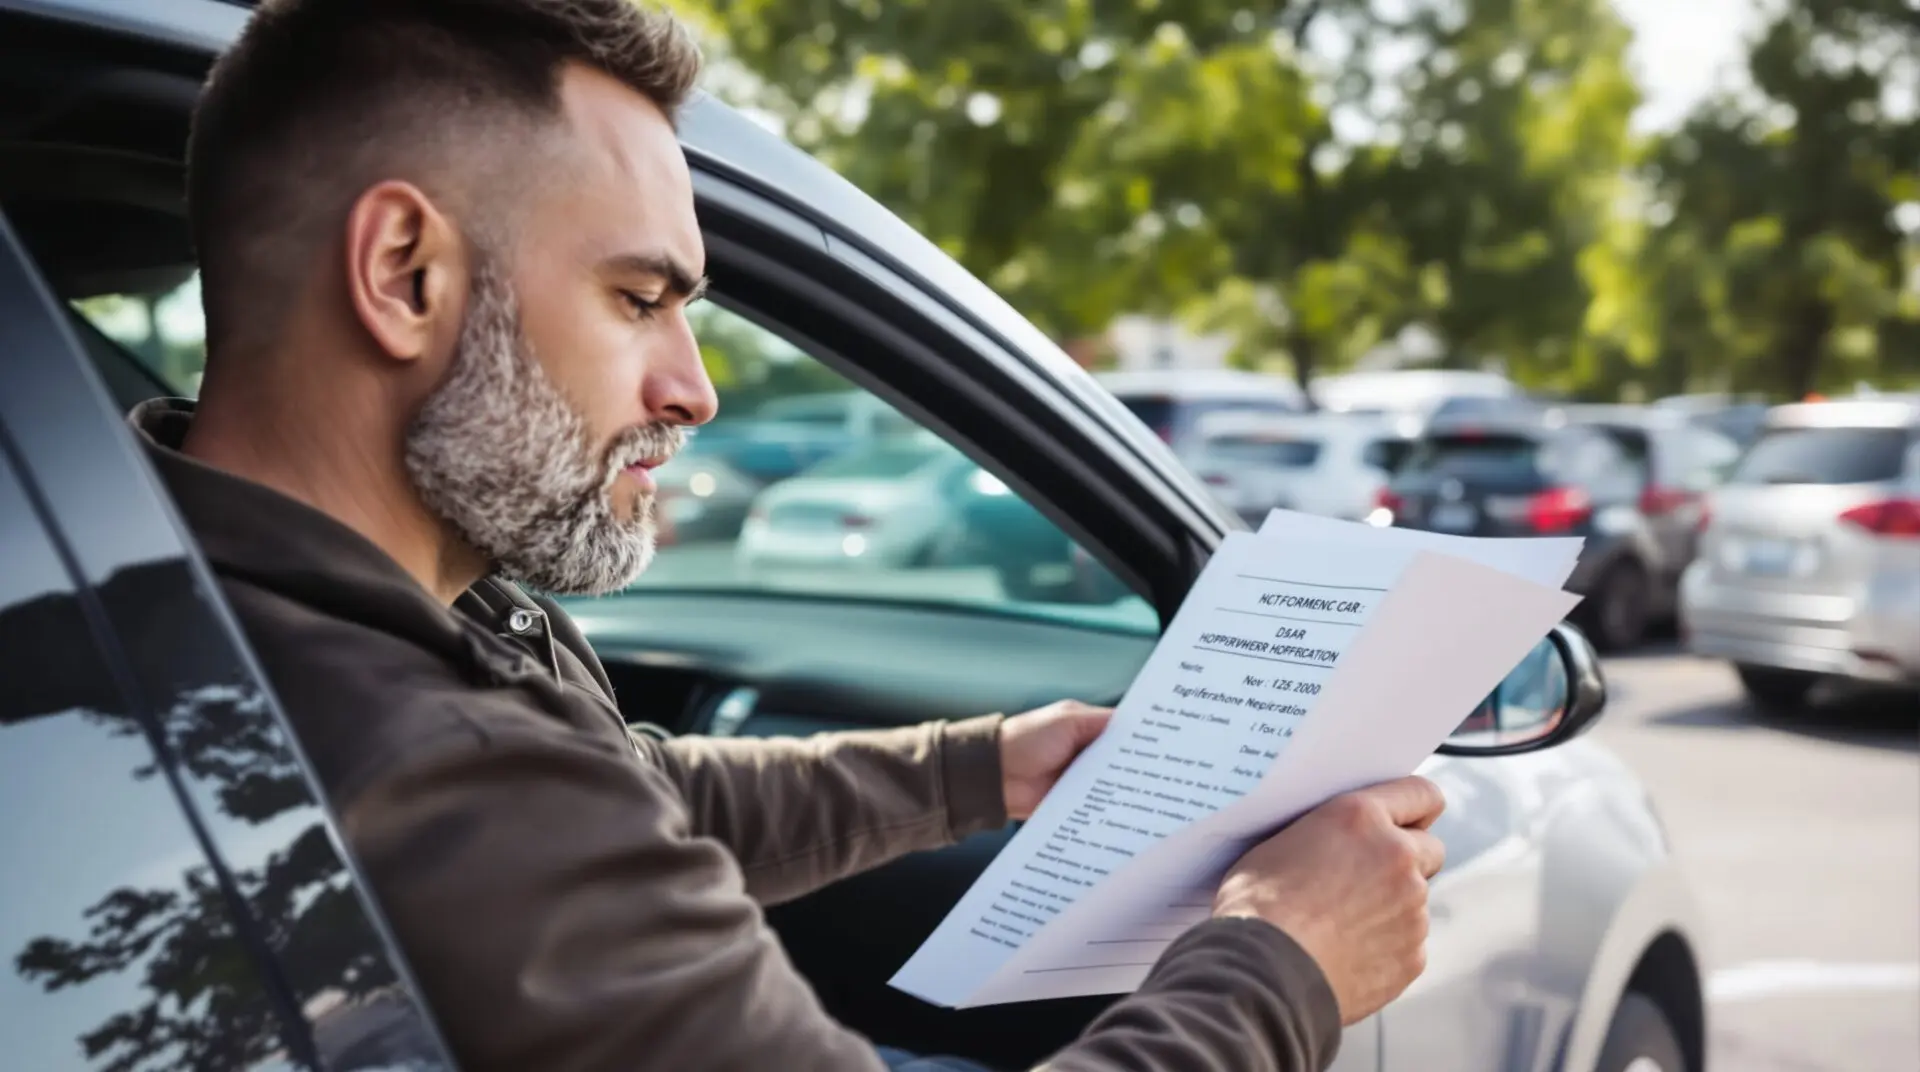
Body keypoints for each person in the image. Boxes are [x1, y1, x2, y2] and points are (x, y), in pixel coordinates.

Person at [134, 0, 1447, 1068]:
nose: (693, 388)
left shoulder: (180, 596)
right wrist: (1286, 959)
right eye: (639, 297)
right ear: (405, 275)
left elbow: (629, 805)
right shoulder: (440, 777)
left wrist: (984, 769)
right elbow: (561, 823)